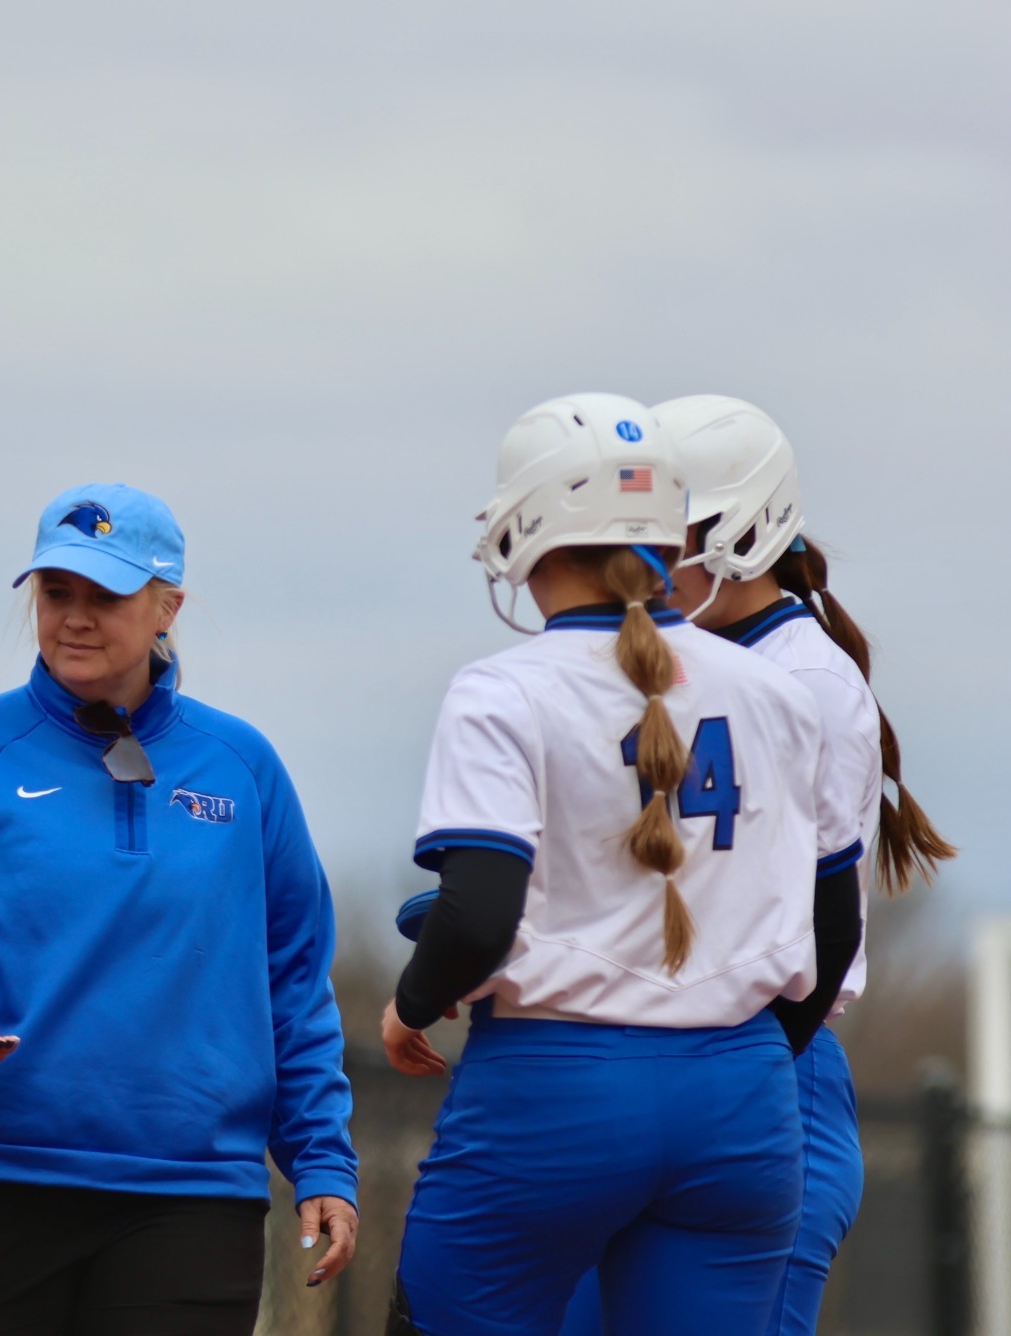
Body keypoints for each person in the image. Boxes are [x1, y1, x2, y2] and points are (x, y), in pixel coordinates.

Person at [382, 393, 867, 1336]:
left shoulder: (500, 690)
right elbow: (835, 926)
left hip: (556, 1083)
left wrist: (409, 1004)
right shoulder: (779, 690)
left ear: (526, 528)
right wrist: (751, 1054)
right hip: (743, 1096)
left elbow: (480, 913)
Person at [0, 482, 359, 1336]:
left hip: (192, 1200)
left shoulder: (242, 766)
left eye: (108, 596)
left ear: (167, 606)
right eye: (58, 593)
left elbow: (293, 979)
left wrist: (320, 1157)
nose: (77, 618)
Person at [554, 396, 956, 1336]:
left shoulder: (805, 678)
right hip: (644, 1070)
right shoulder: (648, 659)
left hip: (771, 1062)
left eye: (671, 529)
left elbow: (804, 925)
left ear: (744, 527)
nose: (644, 553)